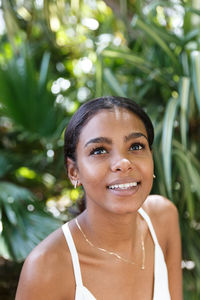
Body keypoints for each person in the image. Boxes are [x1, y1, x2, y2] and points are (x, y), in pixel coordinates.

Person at [15, 96, 182, 300]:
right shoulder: (46, 266)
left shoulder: (163, 219)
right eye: (99, 150)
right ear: (74, 171)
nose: (123, 162)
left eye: (136, 146)